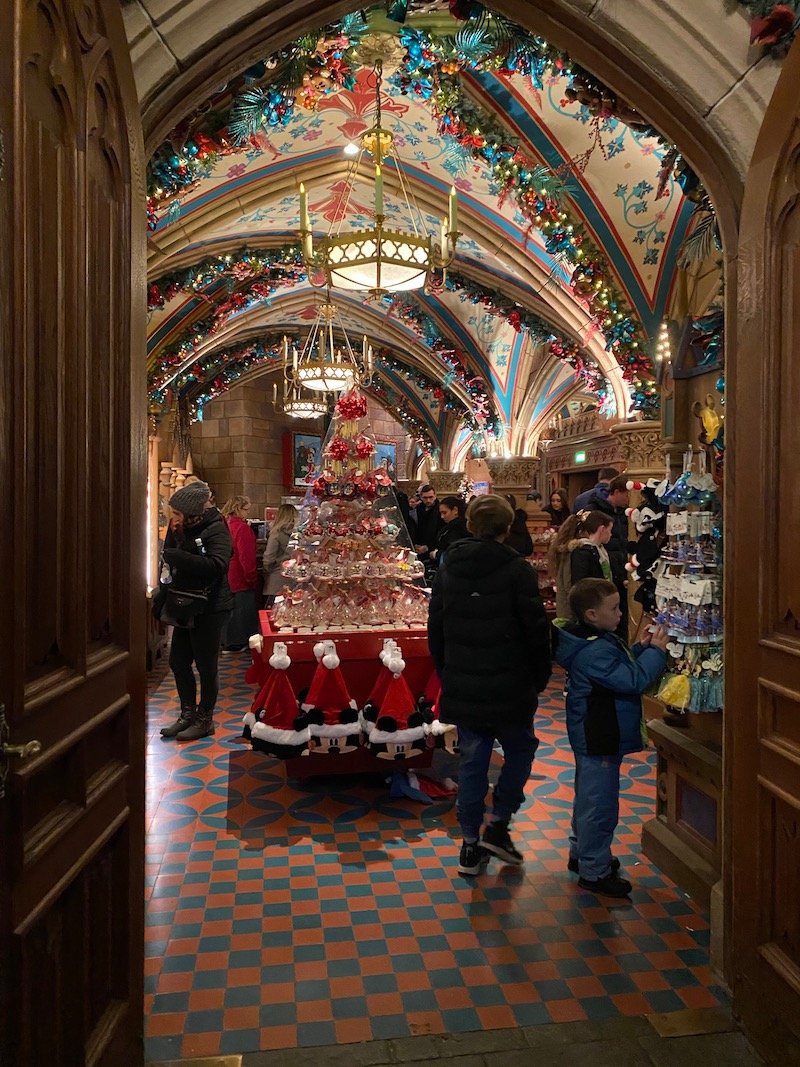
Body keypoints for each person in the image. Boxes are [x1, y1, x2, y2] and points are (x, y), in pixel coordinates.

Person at [428, 495, 552, 876]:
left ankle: (469, 845)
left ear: (469, 525)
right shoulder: (517, 570)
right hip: (511, 680)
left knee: (473, 760)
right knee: (521, 748)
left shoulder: (449, 568)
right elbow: (536, 631)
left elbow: (437, 628)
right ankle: (498, 821)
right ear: (506, 527)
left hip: (464, 679)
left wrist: (447, 670)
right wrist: (540, 677)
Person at [554, 578, 668, 897]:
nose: (620, 613)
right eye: (615, 608)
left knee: (589, 799)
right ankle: (594, 870)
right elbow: (632, 679)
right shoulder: (594, 651)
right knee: (599, 805)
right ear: (591, 614)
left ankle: (584, 855)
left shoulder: (594, 640)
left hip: (595, 733)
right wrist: (656, 653)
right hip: (599, 734)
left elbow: (619, 666)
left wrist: (641, 648)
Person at [157, 481, 233, 741]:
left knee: (206, 666)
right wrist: (161, 596)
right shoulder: (179, 529)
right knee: (178, 662)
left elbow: (218, 565)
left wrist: (179, 557)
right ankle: (187, 713)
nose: (173, 519)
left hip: (210, 607)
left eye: (177, 514)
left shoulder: (216, 529)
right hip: (183, 604)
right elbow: (168, 563)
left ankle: (204, 719)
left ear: (190, 512)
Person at [548, 510, 614, 618]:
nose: (611, 534)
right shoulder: (581, 552)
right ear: (602, 529)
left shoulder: (593, 550)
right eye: (610, 530)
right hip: (581, 614)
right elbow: (578, 585)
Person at [219, 496, 259, 653]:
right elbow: (246, 556)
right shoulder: (242, 528)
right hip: (240, 575)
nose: (248, 513)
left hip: (228, 573)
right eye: (246, 509)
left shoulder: (226, 525)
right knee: (241, 609)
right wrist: (251, 576)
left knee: (230, 610)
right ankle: (238, 641)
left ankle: (227, 641)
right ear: (238, 508)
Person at [262, 503, 298, 607]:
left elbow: (269, 557)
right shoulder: (298, 533)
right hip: (293, 580)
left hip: (276, 580)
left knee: (274, 614)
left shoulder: (276, 533)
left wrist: (267, 571)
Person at [413, 483, 444, 575]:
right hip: (418, 547)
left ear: (435, 496)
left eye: (431, 497)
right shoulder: (418, 509)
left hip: (433, 550)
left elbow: (440, 532)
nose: (428, 500)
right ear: (421, 498)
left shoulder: (440, 510)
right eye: (425, 498)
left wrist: (428, 547)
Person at [430, 495, 469, 566]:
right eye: (441, 513)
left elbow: (455, 552)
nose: (442, 517)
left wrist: (436, 554)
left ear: (455, 510)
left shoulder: (459, 528)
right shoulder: (451, 526)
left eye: (444, 513)